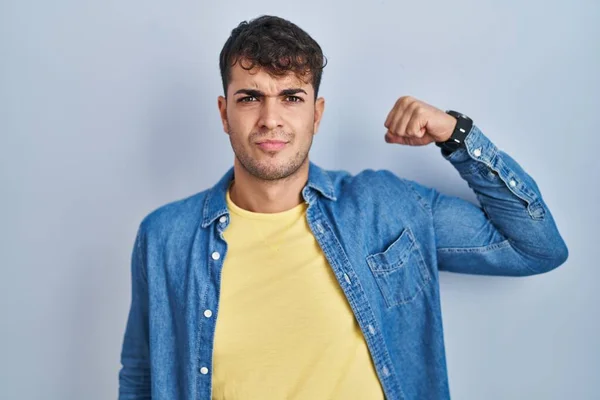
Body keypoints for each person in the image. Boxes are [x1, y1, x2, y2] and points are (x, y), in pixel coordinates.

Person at [118, 15, 568, 400]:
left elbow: (535, 247)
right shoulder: (166, 237)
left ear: (316, 113)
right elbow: (141, 376)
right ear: (223, 113)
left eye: (291, 97)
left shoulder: (385, 207)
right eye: (250, 97)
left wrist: (457, 135)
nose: (270, 118)